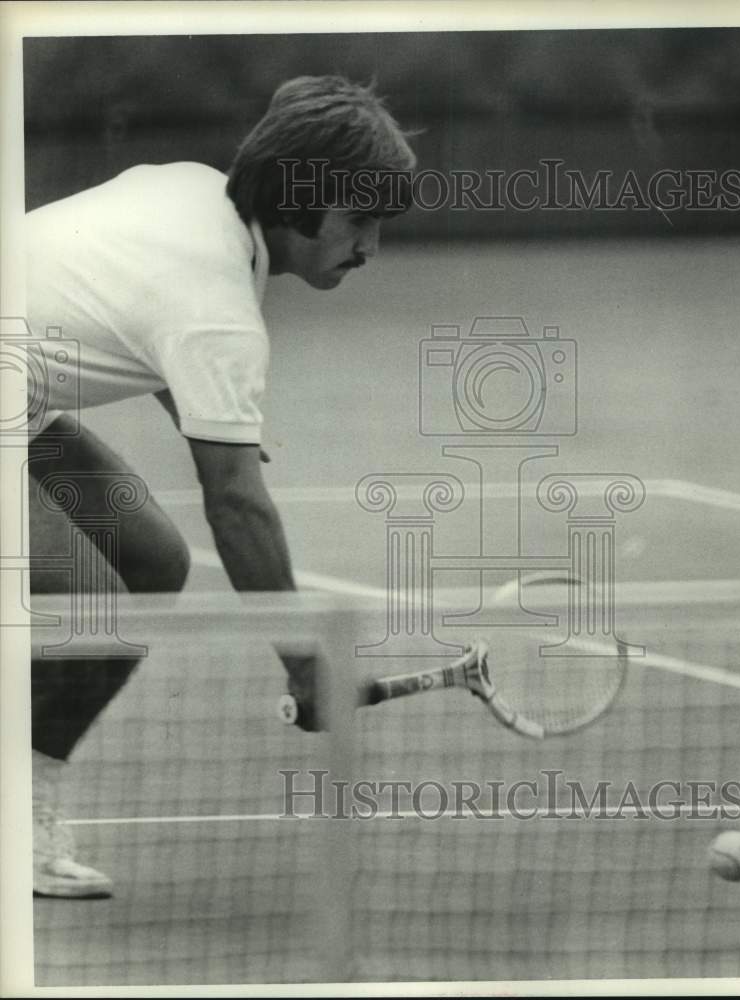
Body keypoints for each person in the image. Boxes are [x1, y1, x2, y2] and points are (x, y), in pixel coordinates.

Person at [25, 75, 416, 898]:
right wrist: (306, 664)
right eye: (359, 221)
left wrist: (207, 413)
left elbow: (129, 308)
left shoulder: (192, 187)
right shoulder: (218, 312)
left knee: (151, 565)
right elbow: (235, 504)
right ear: (298, 201)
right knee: (94, 608)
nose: (371, 248)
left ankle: (23, 801)